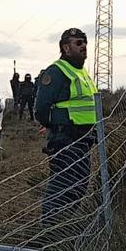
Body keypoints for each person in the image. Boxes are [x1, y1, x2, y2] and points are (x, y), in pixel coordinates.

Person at [35, 28, 98, 226]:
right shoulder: (57, 72)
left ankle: (63, 225)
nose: (84, 46)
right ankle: (49, 228)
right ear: (65, 47)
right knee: (63, 184)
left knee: (78, 185)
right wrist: (52, 124)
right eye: (78, 43)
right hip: (66, 139)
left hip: (83, 139)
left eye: (85, 42)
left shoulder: (81, 72)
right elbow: (41, 107)